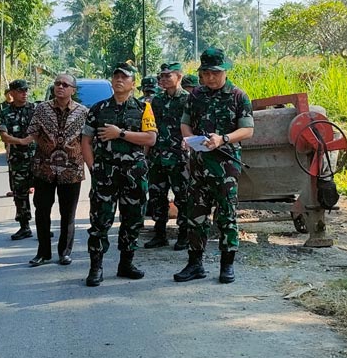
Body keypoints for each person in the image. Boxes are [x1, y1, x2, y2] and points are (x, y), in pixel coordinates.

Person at [175, 47, 254, 284]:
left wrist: (224, 138)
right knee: (195, 215)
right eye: (206, 72)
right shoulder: (196, 95)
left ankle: (227, 265)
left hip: (226, 165)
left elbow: (248, 130)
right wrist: (188, 139)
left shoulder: (238, 96)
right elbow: (185, 123)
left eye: (215, 73)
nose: (210, 77)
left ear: (225, 71)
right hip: (199, 165)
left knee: (226, 215)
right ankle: (195, 264)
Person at [81, 62, 157, 287]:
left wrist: (120, 133)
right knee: (100, 221)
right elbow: (85, 141)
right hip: (105, 174)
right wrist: (93, 167)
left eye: (124, 77)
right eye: (116, 77)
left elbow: (151, 138)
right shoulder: (98, 109)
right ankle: (96, 267)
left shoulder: (144, 109)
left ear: (133, 84)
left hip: (134, 174)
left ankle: (126, 263)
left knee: (133, 219)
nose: (119, 80)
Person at [17, 73, 89, 266]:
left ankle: (64, 252)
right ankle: (43, 252)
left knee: (68, 214)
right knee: (42, 211)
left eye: (65, 84)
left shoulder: (83, 112)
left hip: (71, 170)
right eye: (57, 83)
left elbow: (88, 140)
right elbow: (32, 134)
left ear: (73, 90)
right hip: (44, 169)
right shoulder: (42, 109)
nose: (60, 87)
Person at [144, 63, 191, 251]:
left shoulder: (188, 99)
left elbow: (193, 124)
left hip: (179, 156)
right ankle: (160, 234)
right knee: (157, 196)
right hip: (158, 156)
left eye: (167, 76)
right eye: (161, 76)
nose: (163, 79)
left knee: (182, 196)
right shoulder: (156, 101)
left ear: (178, 77)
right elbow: (150, 127)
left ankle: (184, 235)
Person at [0, 80, 36, 240]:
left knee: (42, 195)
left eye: (26, 90)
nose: (24, 93)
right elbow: (3, 134)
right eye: (20, 90)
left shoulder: (34, 109)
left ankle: (43, 226)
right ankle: (24, 226)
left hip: (37, 158)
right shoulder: (5, 111)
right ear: (11, 93)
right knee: (20, 194)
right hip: (17, 159)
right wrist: (20, 141)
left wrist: (32, 139)